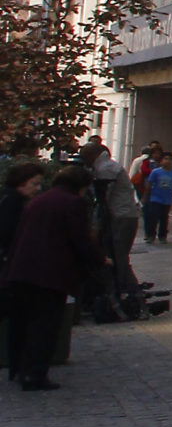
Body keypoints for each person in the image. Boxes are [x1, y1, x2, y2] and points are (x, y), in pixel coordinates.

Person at [5, 164, 102, 389]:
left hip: (22, 270)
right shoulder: (73, 203)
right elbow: (80, 239)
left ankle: (18, 368)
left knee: (23, 321)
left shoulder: (38, 200)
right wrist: (97, 260)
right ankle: (34, 375)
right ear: (80, 186)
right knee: (45, 324)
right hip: (50, 274)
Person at [83, 142, 142, 293]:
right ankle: (126, 287)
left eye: (84, 155)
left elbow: (103, 197)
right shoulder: (105, 166)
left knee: (118, 255)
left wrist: (96, 224)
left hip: (121, 215)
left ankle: (126, 289)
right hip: (122, 214)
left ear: (92, 154)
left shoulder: (106, 168)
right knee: (117, 254)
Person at [0, 161, 42, 276]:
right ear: (21, 181)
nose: (38, 188)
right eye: (34, 184)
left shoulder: (6, 196)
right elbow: (7, 232)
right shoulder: (13, 202)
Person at [140, 152, 172, 245]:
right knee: (153, 217)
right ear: (161, 161)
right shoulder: (156, 172)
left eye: (170, 159)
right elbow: (149, 184)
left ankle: (162, 236)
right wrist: (144, 197)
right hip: (155, 198)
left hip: (167, 200)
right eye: (165, 159)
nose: (168, 161)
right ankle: (151, 235)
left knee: (164, 218)